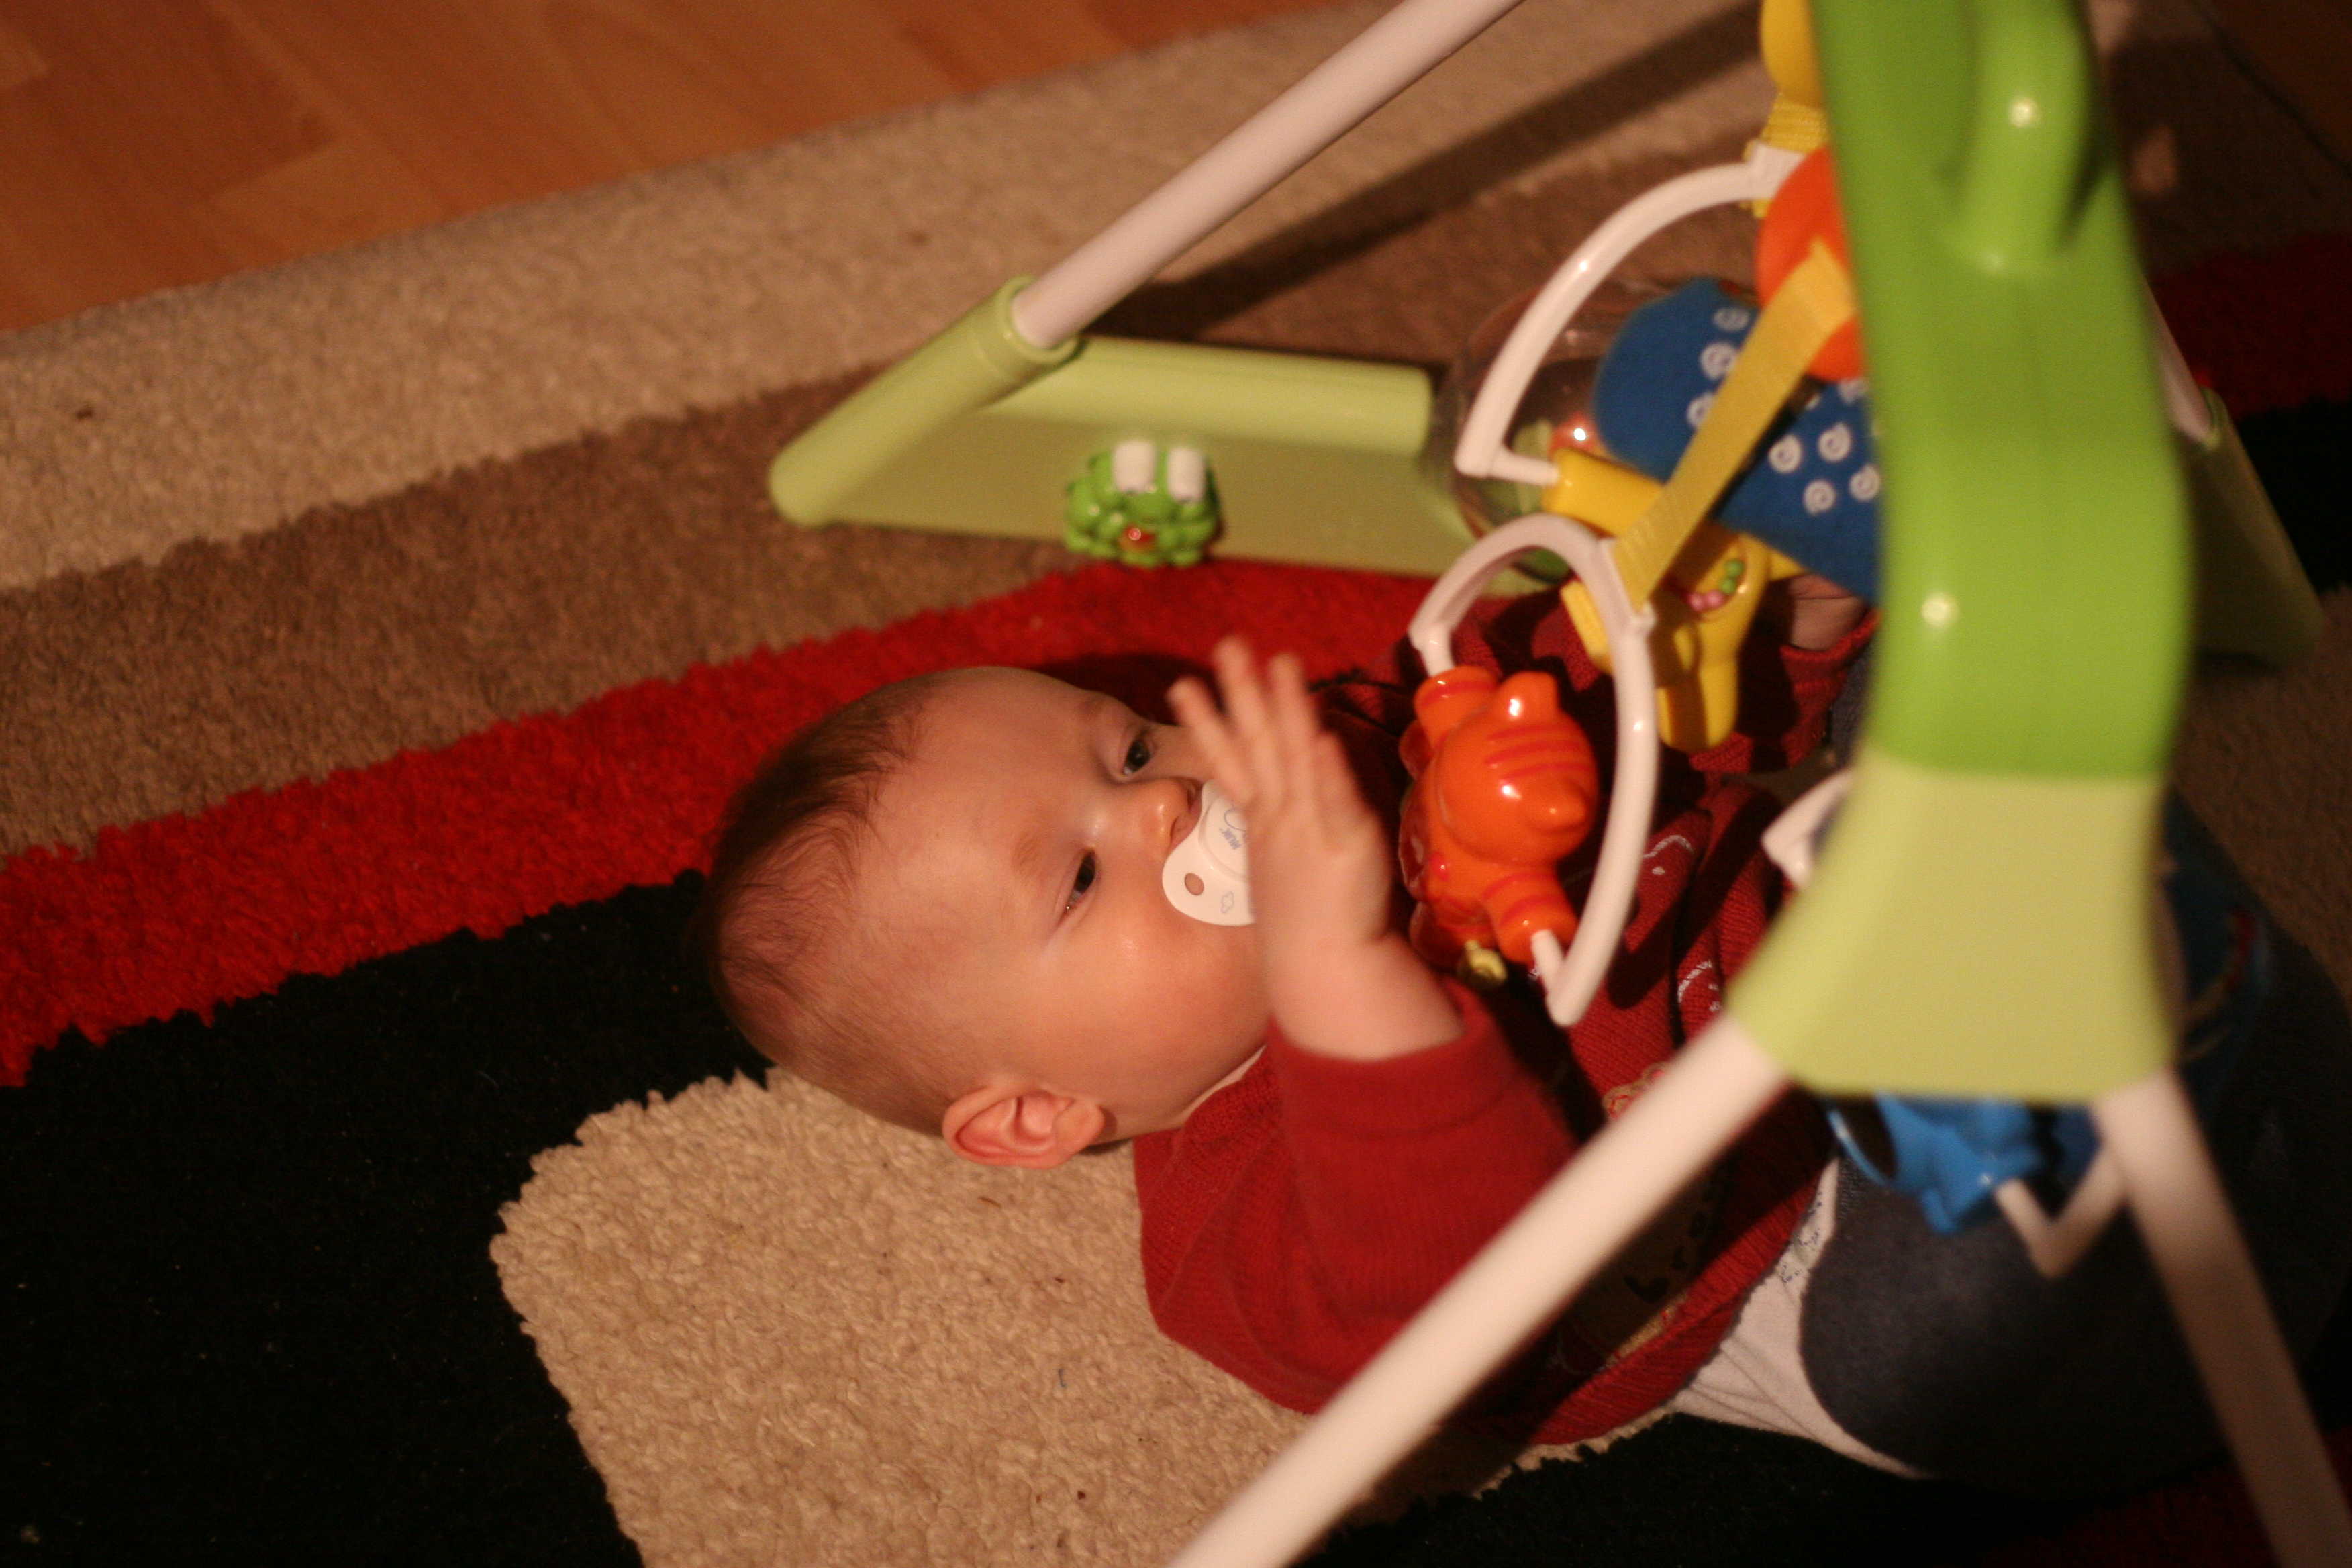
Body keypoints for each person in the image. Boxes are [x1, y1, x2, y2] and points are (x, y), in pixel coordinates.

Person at [689, 578, 2352, 1495]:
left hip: (1880, 964)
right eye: (1079, 874)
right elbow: (1465, 1262)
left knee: (1913, 640)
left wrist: (1754, 619)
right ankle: (2086, 977)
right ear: (1037, 1115)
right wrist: (1339, 963)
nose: (1172, 805)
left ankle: (2039, 876)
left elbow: (1559, 708)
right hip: (1819, 1253)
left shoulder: (1320, 771)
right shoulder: (1231, 1249)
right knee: (1920, 1350)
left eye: (1126, 751)